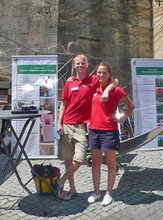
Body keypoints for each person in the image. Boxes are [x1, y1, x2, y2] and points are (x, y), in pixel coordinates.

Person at [56, 54, 119, 200]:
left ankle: (60, 181)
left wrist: (108, 90)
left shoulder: (94, 80)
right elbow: (63, 104)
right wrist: (59, 122)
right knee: (67, 159)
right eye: (77, 63)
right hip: (66, 124)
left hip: (80, 126)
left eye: (82, 63)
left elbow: (114, 80)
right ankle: (72, 189)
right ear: (74, 66)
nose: (80, 65)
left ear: (87, 65)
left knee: (78, 160)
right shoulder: (69, 83)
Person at [87, 62, 134, 206]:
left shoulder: (117, 90)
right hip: (94, 130)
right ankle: (96, 192)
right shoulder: (94, 87)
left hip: (110, 131)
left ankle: (109, 193)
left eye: (104, 73)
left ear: (109, 74)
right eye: (98, 72)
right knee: (95, 162)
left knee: (110, 163)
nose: (101, 75)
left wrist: (122, 118)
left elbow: (131, 106)